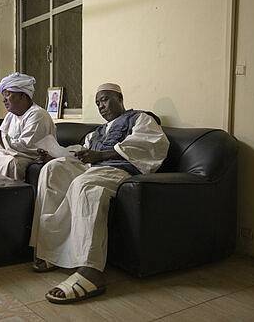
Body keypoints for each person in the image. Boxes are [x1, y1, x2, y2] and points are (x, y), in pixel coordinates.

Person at [29, 83, 170, 304]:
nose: (101, 106)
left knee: (85, 185)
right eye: (97, 103)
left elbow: (152, 145)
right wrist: (55, 156)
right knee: (52, 171)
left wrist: (102, 155)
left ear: (120, 98)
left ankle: (91, 271)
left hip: (117, 169)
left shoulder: (140, 119)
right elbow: (81, 153)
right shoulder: (97, 132)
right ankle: (52, 252)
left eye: (104, 99)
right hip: (92, 167)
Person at [0, 72, 56, 180]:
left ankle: (5, 196)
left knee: (10, 162)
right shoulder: (10, 116)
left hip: (29, 156)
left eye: (8, 94)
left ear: (23, 95)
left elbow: (26, 148)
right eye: (3, 96)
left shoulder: (38, 114)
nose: (4, 100)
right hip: (12, 153)